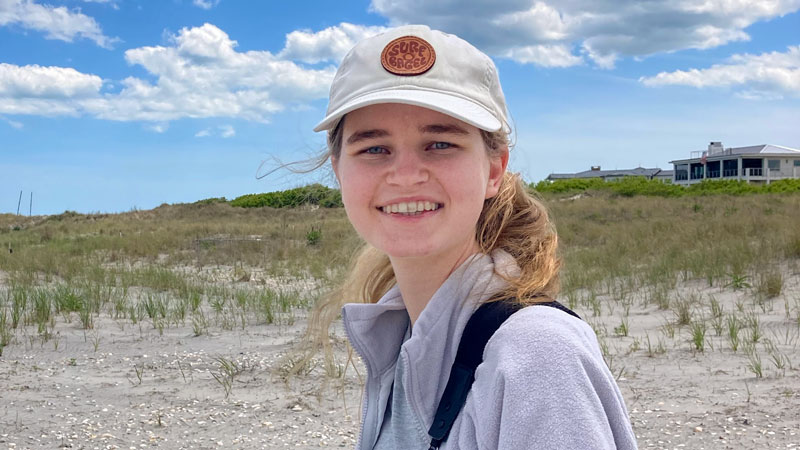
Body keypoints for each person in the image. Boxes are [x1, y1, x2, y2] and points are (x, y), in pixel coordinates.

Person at [309, 24, 639, 449]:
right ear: (339, 171)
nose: (406, 175)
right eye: (374, 149)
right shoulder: (403, 336)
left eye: (440, 144)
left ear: (495, 169)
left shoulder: (536, 356)